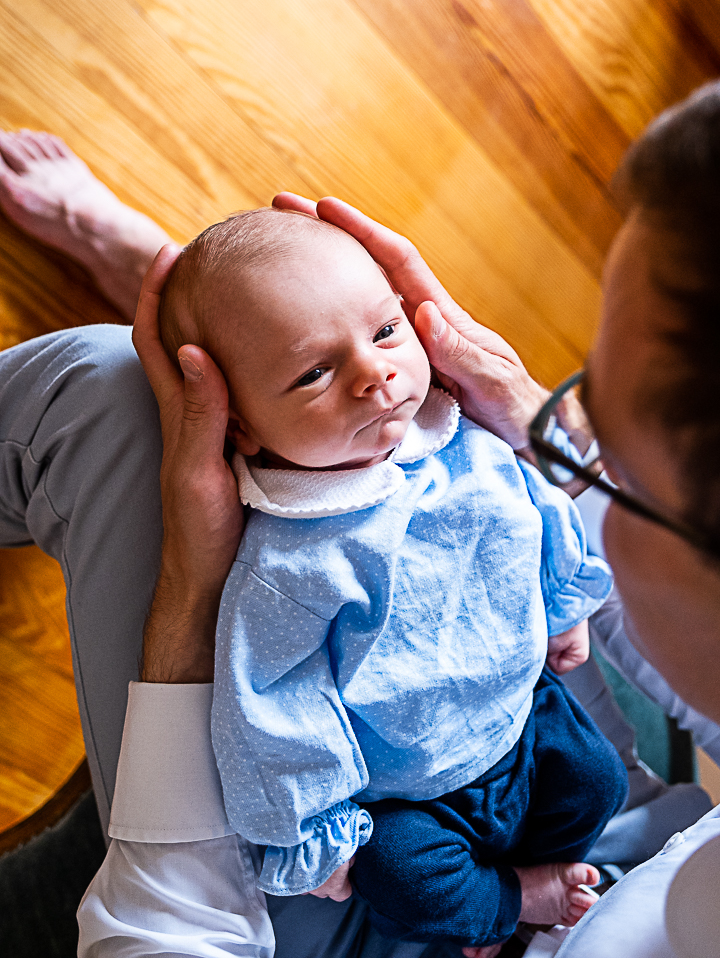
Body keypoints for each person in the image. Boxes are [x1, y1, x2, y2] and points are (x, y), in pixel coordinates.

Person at [0, 79, 718, 956]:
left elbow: (173, 923)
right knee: (122, 380)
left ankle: (236, 369)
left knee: (96, 390)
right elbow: (282, 705)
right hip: (555, 796)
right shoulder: (304, 560)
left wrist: (192, 595)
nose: (565, 449)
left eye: (608, 455)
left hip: (424, 842)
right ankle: (230, 336)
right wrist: (537, 441)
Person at [156, 208, 622, 953]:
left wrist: (563, 601)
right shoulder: (288, 561)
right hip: (412, 794)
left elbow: (530, 510)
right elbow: (272, 700)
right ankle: (509, 901)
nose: (375, 374)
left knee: (598, 780)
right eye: (314, 372)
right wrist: (317, 826)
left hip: (524, 712)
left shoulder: (458, 444)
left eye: (385, 333)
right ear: (240, 428)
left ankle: (526, 876)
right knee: (404, 879)